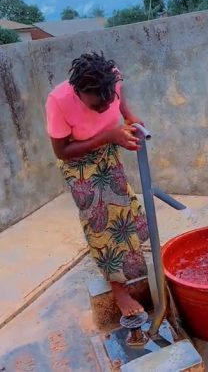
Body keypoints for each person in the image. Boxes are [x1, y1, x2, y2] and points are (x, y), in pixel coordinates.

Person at [46, 52, 147, 317]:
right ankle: (119, 291)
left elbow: (119, 96)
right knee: (101, 223)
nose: (104, 108)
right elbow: (62, 151)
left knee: (124, 210)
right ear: (78, 92)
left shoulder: (111, 77)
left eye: (108, 101)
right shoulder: (59, 101)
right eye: (97, 106)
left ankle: (133, 268)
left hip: (107, 145)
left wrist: (128, 116)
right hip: (78, 163)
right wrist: (108, 136)